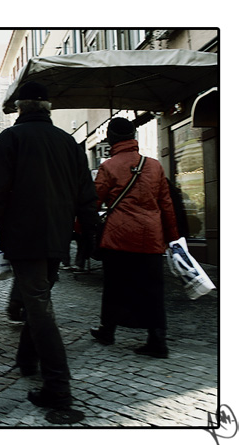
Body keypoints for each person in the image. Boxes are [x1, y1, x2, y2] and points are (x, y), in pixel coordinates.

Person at [0, 81, 98, 410]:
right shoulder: (68, 142)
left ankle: (58, 388)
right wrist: (92, 233)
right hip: (57, 236)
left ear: (21, 108)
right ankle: (27, 359)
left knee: (39, 307)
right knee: (37, 298)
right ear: (47, 108)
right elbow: (86, 194)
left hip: (24, 237)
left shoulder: (10, 139)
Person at [89, 117, 179, 358]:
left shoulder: (108, 167)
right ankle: (157, 339)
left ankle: (108, 330)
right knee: (153, 289)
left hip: (119, 236)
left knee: (114, 286)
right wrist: (172, 237)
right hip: (151, 236)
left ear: (112, 138)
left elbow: (94, 201)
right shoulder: (155, 166)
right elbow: (166, 205)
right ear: (134, 137)